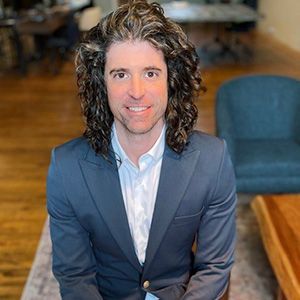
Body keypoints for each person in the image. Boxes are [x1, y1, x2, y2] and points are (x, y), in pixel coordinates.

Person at [46, 1, 236, 299]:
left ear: (170, 80)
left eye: (150, 73)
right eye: (120, 74)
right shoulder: (66, 167)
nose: (136, 91)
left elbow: (214, 266)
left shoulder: (213, 160)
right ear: (102, 83)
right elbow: (75, 275)